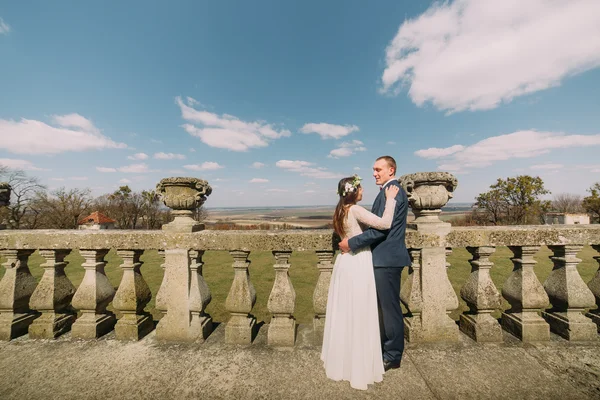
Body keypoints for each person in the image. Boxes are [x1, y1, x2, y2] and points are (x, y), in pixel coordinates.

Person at [321, 174, 399, 390]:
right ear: (354, 191)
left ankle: (344, 360)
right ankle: (358, 363)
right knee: (360, 309)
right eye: (361, 188)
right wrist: (391, 199)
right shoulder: (354, 209)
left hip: (344, 263)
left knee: (345, 311)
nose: (363, 190)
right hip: (358, 261)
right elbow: (384, 224)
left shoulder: (339, 210)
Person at [338, 155, 410, 372]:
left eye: (379, 169)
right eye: (374, 169)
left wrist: (351, 242)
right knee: (381, 308)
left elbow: (380, 229)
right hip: (381, 259)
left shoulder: (393, 193)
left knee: (389, 310)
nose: (374, 173)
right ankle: (383, 349)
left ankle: (392, 355)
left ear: (391, 170)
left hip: (387, 260)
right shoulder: (387, 192)